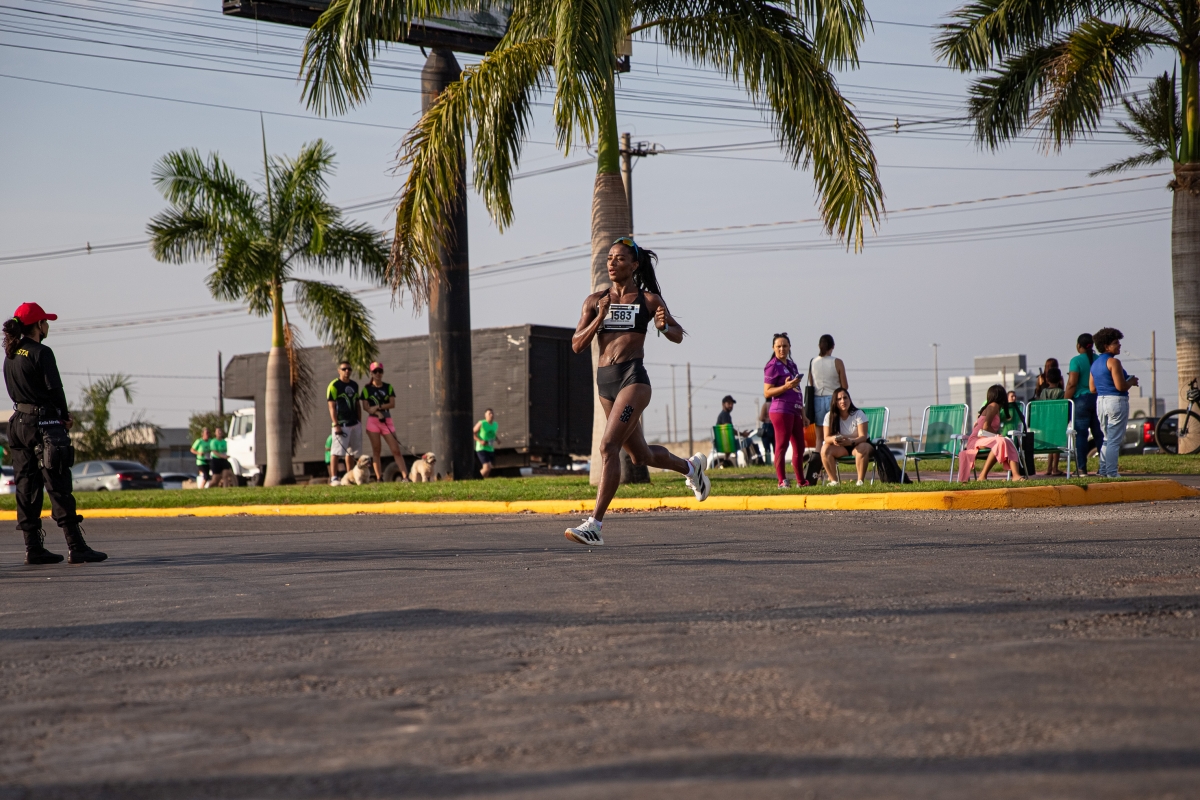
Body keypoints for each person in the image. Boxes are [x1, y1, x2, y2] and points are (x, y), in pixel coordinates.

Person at [565, 237, 708, 545]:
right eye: (609, 258)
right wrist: (599, 317)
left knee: (608, 447)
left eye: (619, 258)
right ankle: (691, 468)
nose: (612, 263)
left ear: (634, 265)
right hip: (606, 384)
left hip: (633, 380)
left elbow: (677, 334)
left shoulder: (649, 300)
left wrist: (663, 327)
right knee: (640, 456)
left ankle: (594, 525)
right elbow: (576, 344)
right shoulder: (594, 301)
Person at [3, 302, 105, 564]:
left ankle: (33, 548)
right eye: (46, 322)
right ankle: (76, 546)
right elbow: (55, 389)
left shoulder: (11, 353)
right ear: (38, 325)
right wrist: (64, 416)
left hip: (18, 424)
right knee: (58, 483)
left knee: (26, 487)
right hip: (43, 424)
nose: (48, 326)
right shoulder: (42, 352)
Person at [1090, 327, 1138, 478]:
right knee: (1114, 440)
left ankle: (1103, 471)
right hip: (1116, 401)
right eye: (1116, 343)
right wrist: (1131, 382)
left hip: (1101, 402)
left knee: (1106, 439)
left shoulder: (1095, 364)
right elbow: (1121, 386)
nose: (1119, 345)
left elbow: (1092, 388)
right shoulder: (1114, 362)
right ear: (1106, 346)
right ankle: (1111, 472)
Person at [763, 332, 808, 488]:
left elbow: (798, 390)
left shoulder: (792, 365)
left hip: (795, 410)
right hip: (781, 410)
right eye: (779, 346)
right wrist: (785, 386)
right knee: (782, 445)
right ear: (773, 348)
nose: (782, 349)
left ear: (789, 347)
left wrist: (803, 413)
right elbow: (767, 392)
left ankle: (801, 481)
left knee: (800, 446)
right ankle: (782, 480)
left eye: (785, 346)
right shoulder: (772, 366)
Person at [958, 384, 1027, 482]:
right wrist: (997, 435)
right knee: (1001, 441)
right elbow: (986, 427)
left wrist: (997, 435)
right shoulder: (993, 406)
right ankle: (982, 476)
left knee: (1008, 441)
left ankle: (1015, 475)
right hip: (976, 440)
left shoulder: (996, 408)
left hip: (985, 438)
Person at [361, 362, 409, 482]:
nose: (378, 374)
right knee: (376, 450)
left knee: (396, 450)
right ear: (371, 373)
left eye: (380, 371)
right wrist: (377, 413)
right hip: (373, 421)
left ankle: (405, 477)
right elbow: (366, 407)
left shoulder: (388, 387)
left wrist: (378, 407)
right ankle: (379, 477)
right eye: (375, 371)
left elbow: (392, 404)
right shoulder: (367, 389)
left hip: (386, 420)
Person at [1065, 333, 1103, 475]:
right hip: (1098, 399)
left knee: (1081, 435)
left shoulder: (1076, 361)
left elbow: (1072, 383)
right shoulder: (1099, 359)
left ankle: (1081, 468)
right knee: (1099, 434)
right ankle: (1104, 467)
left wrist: (1065, 400)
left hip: (1081, 400)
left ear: (1078, 346)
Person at [820, 387, 871, 485]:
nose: (843, 401)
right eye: (839, 399)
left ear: (850, 399)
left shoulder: (858, 414)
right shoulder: (829, 416)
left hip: (858, 444)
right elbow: (826, 438)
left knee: (863, 447)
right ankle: (834, 482)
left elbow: (863, 437)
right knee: (825, 449)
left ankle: (860, 481)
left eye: (845, 398)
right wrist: (834, 439)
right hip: (841, 447)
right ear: (835, 402)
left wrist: (850, 441)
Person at [808, 334, 847, 451]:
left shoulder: (813, 362)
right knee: (835, 434)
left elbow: (811, 383)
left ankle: (818, 460)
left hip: (817, 400)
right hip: (834, 399)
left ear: (819, 346)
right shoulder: (837, 362)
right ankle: (832, 458)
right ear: (833, 346)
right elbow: (845, 386)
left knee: (819, 438)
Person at [327, 361, 361, 486]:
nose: (347, 371)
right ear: (339, 371)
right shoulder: (334, 385)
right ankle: (334, 478)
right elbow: (331, 406)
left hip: (354, 423)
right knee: (336, 452)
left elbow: (357, 404)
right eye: (344, 369)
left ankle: (349, 476)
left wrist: (359, 421)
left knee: (351, 452)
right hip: (341, 424)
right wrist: (336, 424)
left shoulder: (354, 385)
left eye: (349, 369)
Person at [1039, 368, 1066, 476]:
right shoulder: (1061, 392)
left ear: (1047, 379)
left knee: (1050, 445)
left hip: (1046, 423)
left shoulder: (1043, 392)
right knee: (1056, 446)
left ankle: (1049, 468)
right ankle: (1055, 468)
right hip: (1057, 422)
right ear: (1059, 379)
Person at [473, 408, 499, 478]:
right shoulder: (481, 423)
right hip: (481, 448)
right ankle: (476, 480)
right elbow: (473, 433)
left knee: (489, 468)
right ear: (485, 415)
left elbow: (493, 434)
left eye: (492, 413)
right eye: (489, 413)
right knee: (486, 467)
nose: (491, 415)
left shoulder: (495, 424)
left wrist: (497, 439)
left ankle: (483, 481)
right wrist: (480, 441)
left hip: (490, 448)